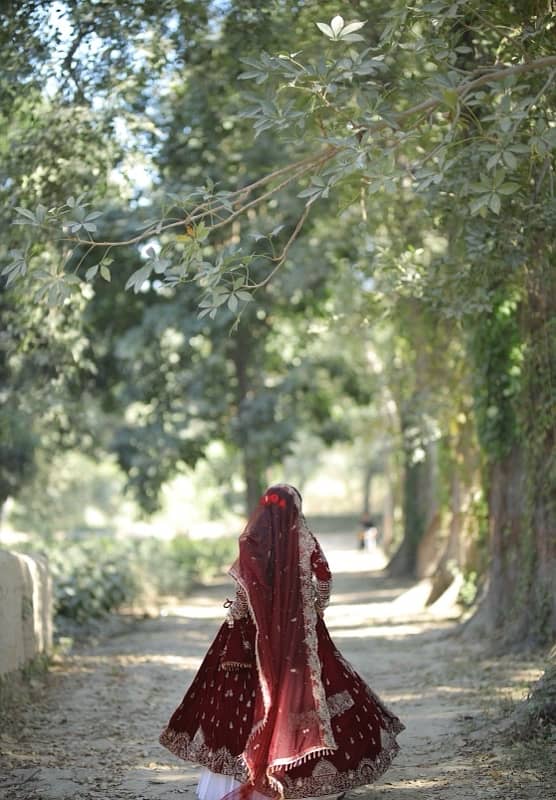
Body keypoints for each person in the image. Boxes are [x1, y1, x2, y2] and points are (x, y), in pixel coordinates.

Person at [159, 484, 404, 800]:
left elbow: (245, 591)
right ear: (294, 509)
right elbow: (325, 576)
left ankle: (240, 780)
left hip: (254, 635)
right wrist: (317, 607)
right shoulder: (303, 539)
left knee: (241, 704)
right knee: (314, 694)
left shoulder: (253, 542)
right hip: (299, 633)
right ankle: (306, 781)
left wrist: (236, 614)